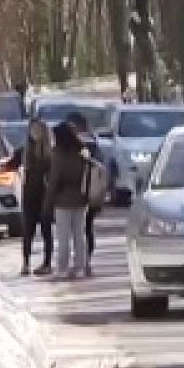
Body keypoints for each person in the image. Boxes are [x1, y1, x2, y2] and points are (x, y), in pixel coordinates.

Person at [1, 119, 54, 276]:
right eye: (32, 130)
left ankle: (47, 263)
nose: (34, 133)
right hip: (29, 193)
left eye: (37, 130)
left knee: (46, 230)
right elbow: (11, 164)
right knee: (28, 230)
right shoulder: (24, 151)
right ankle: (26, 263)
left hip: (45, 195)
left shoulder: (51, 153)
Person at [64, 111, 110, 278]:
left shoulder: (79, 144)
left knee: (76, 229)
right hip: (91, 193)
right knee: (86, 228)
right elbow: (102, 170)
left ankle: (80, 262)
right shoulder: (93, 143)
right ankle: (86, 262)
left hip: (77, 193)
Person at [45, 122, 92, 280]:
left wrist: (47, 203)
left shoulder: (58, 155)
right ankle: (80, 266)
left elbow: (54, 181)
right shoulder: (81, 153)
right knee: (79, 234)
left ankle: (63, 268)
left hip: (62, 201)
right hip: (80, 199)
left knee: (63, 236)